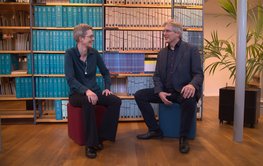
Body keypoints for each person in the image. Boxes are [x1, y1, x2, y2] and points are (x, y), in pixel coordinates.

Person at [134, 20, 204, 154]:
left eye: (167, 31)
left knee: (189, 100)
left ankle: (183, 137)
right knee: (139, 95)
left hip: (183, 91)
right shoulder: (162, 53)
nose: (164, 33)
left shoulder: (191, 50)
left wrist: (192, 85)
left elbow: (198, 74)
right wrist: (159, 92)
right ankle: (155, 130)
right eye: (164, 31)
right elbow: (157, 76)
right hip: (166, 92)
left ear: (177, 33)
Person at [65, 24, 121, 159]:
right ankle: (90, 144)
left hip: (95, 92)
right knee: (88, 101)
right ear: (80, 38)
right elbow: (70, 79)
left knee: (115, 101)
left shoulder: (94, 53)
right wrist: (86, 91)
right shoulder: (70, 54)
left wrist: (107, 87)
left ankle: (101, 137)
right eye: (90, 36)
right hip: (77, 95)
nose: (93, 39)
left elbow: (105, 73)